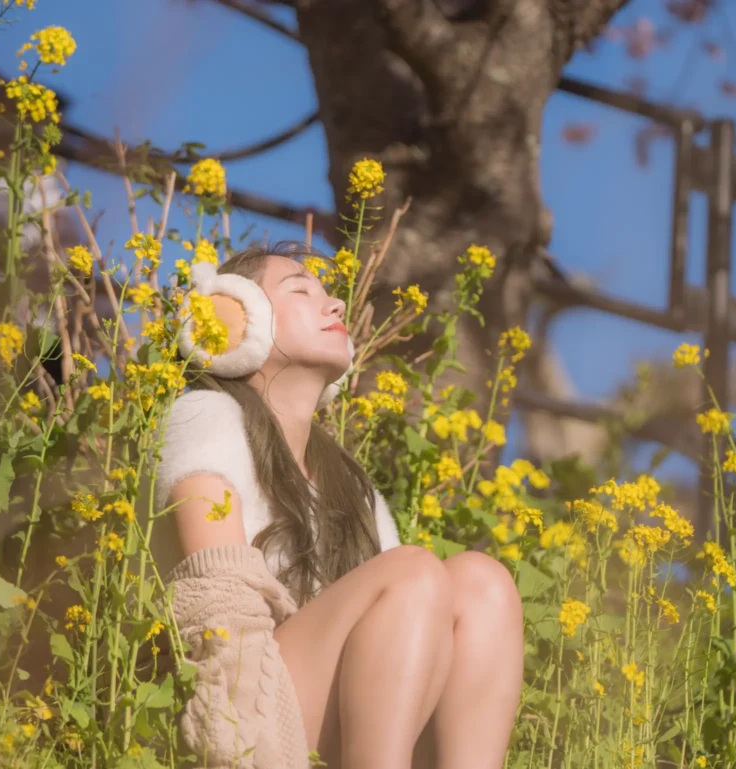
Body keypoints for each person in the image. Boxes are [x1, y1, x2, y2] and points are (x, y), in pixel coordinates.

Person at [149, 241, 524, 769]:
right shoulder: (206, 417)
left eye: (329, 293)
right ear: (235, 318)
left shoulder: (350, 483)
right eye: (300, 290)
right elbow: (216, 622)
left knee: (484, 583)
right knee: (412, 571)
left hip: (338, 724)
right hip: (242, 715)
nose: (337, 305)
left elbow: (407, 635)